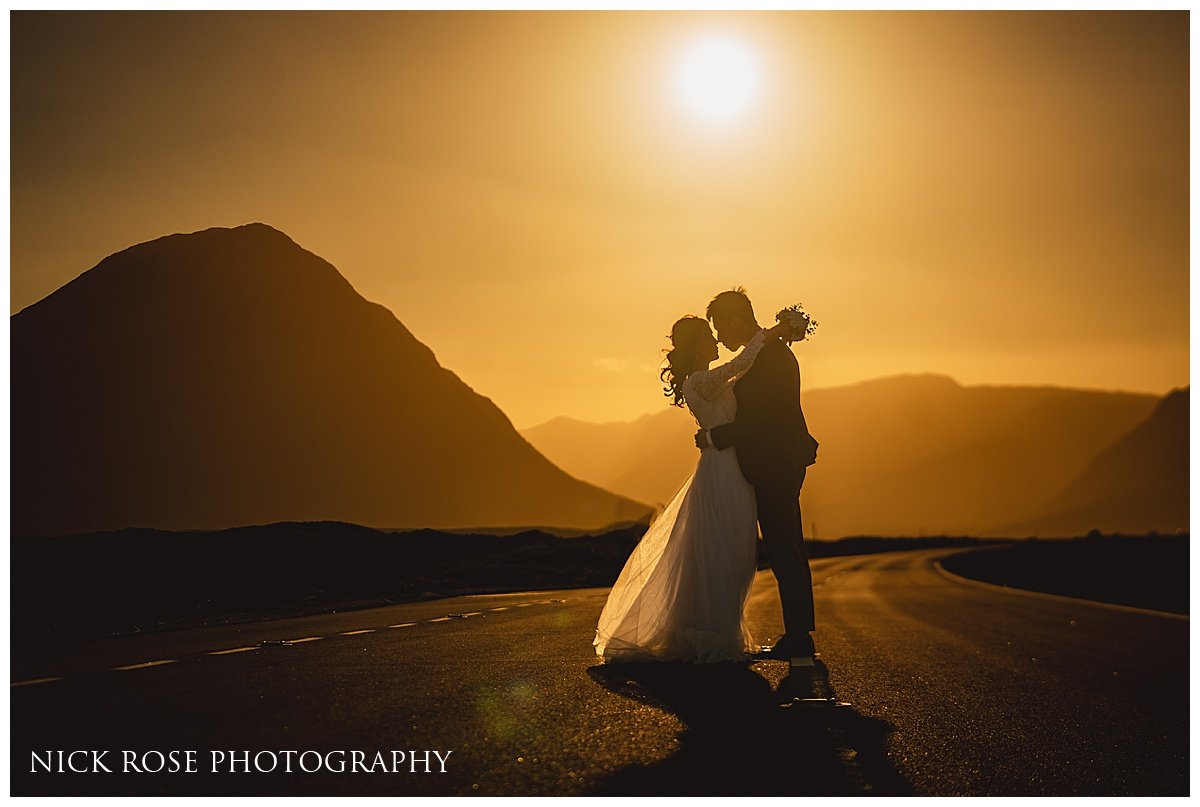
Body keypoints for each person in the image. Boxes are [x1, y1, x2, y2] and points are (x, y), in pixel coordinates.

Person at [593, 313, 793, 663]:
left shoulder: (709, 380)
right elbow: (742, 362)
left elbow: (744, 377)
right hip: (721, 472)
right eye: (710, 337)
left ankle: (721, 628)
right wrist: (770, 333)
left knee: (734, 552)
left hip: (733, 468)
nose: (716, 340)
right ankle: (710, 633)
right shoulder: (698, 382)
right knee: (721, 551)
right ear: (698, 345)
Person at [696, 288, 820, 659]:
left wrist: (715, 436)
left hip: (776, 461)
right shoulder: (764, 353)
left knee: (785, 546)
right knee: (787, 547)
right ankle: (799, 633)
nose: (719, 336)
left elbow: (762, 419)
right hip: (775, 459)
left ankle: (799, 636)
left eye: (720, 326)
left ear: (737, 320)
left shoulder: (771, 357)